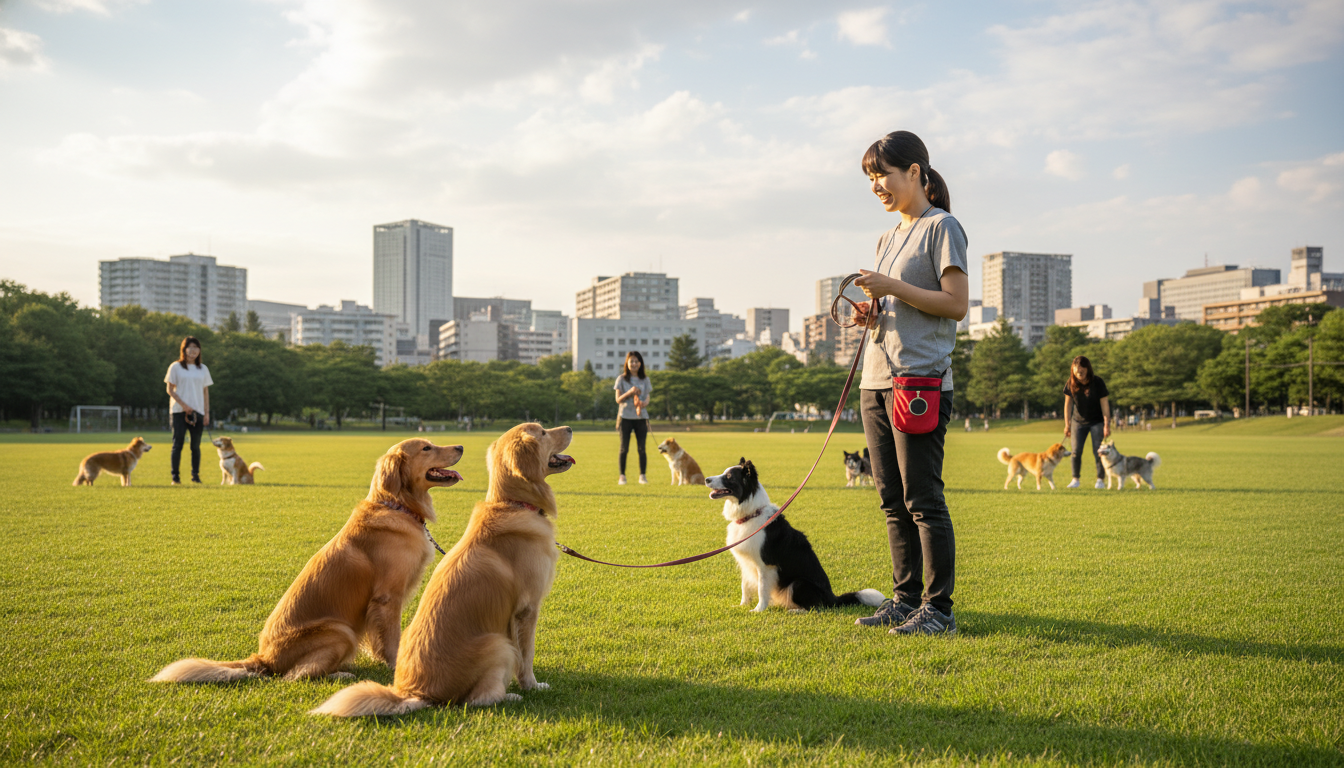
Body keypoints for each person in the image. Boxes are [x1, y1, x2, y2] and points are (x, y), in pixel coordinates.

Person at [850, 130, 969, 636]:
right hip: (876, 380)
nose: (877, 185)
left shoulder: (942, 226)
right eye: (871, 177)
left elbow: (956, 304)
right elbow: (903, 305)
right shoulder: (886, 236)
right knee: (891, 498)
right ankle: (903, 600)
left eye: (884, 174)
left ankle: (937, 610)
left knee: (923, 498)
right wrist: (872, 313)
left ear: (916, 173)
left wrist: (894, 287)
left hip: (919, 382)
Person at [165, 336, 213, 485]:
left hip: (198, 411)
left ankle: (195, 476)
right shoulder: (175, 367)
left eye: (196, 348)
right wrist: (184, 405)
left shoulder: (203, 368)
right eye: (190, 348)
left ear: (199, 350)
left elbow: (205, 391)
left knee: (195, 446)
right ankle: (175, 477)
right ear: (184, 350)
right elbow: (170, 389)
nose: (193, 351)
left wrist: (206, 412)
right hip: (179, 411)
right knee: (177, 444)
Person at [1062, 355, 1111, 489]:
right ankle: (1075, 479)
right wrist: (1067, 424)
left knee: (1098, 452)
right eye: (1076, 372)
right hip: (1078, 421)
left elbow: (1105, 404)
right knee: (1076, 451)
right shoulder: (1071, 382)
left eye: (1082, 372)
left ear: (1087, 369)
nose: (1079, 375)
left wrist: (1107, 424)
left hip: (1097, 421)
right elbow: (1068, 404)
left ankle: (1100, 480)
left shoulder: (1098, 382)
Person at [613, 351, 651, 486]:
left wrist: (643, 403)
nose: (634, 364)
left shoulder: (645, 379)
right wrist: (630, 392)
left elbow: (647, 398)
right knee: (624, 448)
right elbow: (618, 399)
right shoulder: (621, 379)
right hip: (625, 417)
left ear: (640, 363)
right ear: (627, 364)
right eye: (631, 361)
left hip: (641, 417)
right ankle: (622, 476)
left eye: (636, 361)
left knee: (642, 448)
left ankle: (642, 476)